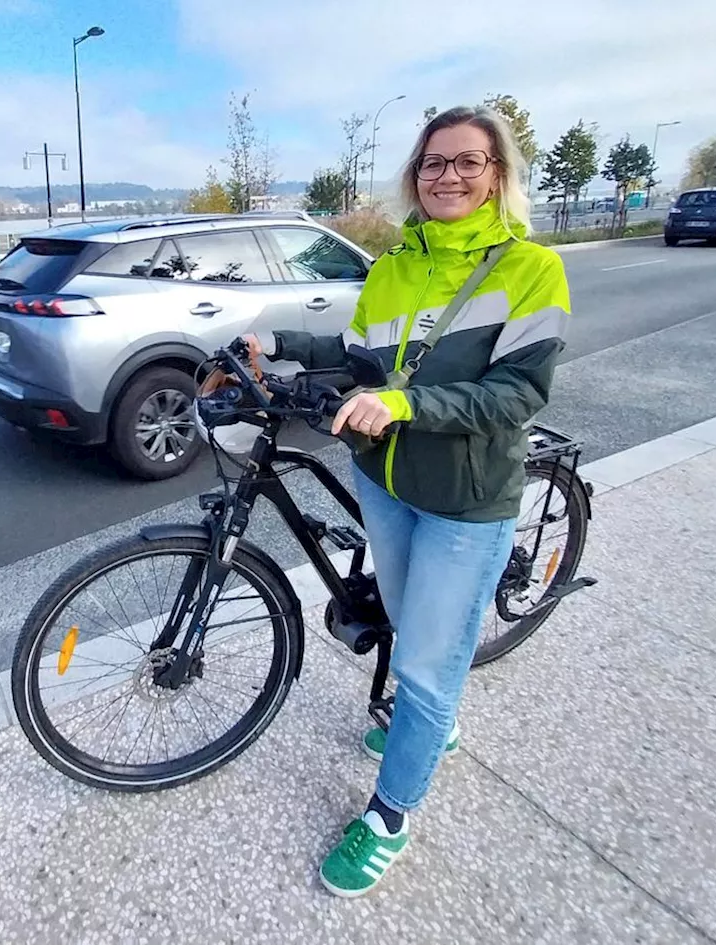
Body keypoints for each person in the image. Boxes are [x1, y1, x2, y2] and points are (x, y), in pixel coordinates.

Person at [243, 104, 571, 897]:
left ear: (497, 176)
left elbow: (515, 392)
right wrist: (277, 342)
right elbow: (363, 358)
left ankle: (389, 817)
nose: (448, 175)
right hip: (384, 484)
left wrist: (405, 406)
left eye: (468, 162)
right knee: (402, 618)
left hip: (465, 500)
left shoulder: (530, 269)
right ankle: (436, 726)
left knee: (426, 664)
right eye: (433, 163)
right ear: (415, 176)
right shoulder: (393, 266)